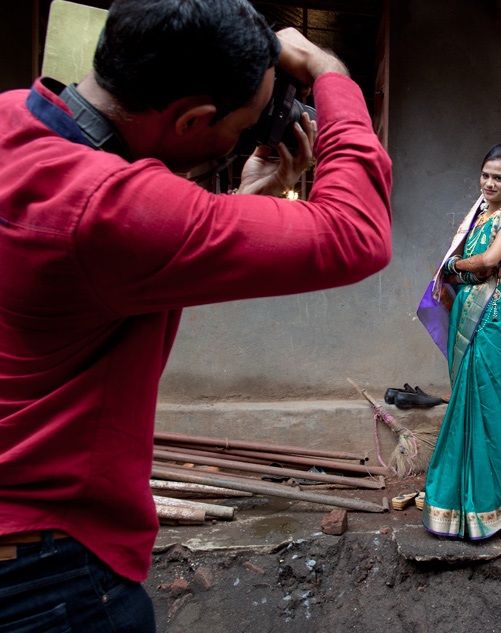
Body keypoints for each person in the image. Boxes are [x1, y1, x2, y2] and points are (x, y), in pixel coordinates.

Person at [0, 1, 392, 630]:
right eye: (236, 130)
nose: (237, 142)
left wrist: (241, 203)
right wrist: (329, 71)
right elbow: (355, 233)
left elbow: (118, 268)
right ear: (192, 120)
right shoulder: (108, 210)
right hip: (45, 572)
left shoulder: (13, 119)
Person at [416, 142, 501, 539]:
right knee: (465, 408)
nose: (489, 183)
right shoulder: (479, 214)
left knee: (489, 409)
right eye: (485, 175)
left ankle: (490, 505)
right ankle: (454, 506)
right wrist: (458, 272)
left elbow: (488, 262)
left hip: (494, 318)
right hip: (469, 313)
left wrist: (452, 265)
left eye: (498, 178)